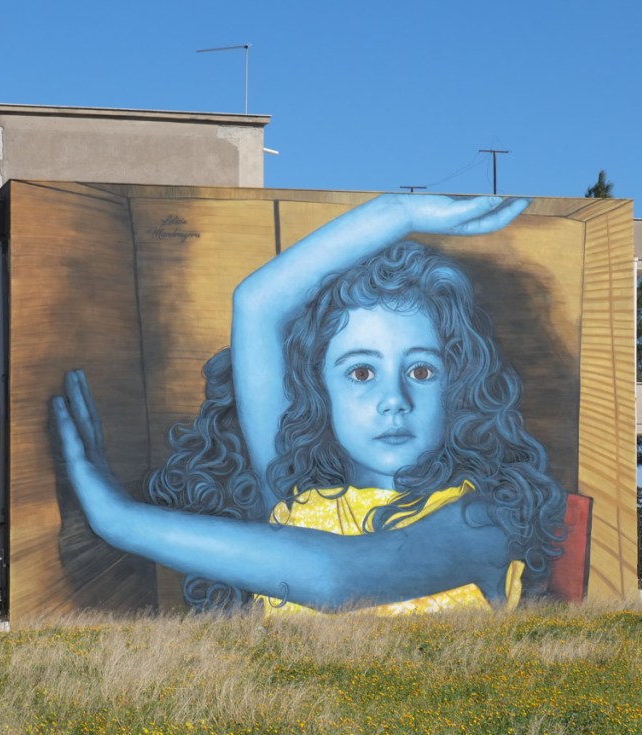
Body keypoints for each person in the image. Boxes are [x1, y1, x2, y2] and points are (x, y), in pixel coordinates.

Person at [51, 193, 567, 614]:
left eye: (421, 370)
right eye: (361, 372)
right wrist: (398, 213)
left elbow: (336, 578)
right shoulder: (296, 493)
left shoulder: (480, 519)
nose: (394, 400)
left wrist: (117, 519)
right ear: (319, 392)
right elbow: (256, 304)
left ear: (458, 386)